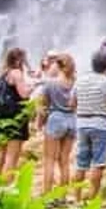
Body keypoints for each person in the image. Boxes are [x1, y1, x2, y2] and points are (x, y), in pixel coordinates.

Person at [70, 50, 106, 200]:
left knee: (81, 163)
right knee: (98, 163)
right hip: (100, 125)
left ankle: (76, 197)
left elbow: (72, 104)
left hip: (82, 124)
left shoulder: (80, 80)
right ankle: (92, 198)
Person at [0, 48, 36, 176]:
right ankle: (6, 186)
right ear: (19, 60)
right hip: (14, 118)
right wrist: (33, 85)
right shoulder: (16, 73)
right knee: (12, 156)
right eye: (24, 59)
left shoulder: (3, 73)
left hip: (0, 117)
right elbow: (24, 94)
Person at [38, 53, 76, 196]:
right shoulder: (75, 83)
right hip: (72, 121)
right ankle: (62, 196)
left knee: (49, 160)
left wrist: (40, 123)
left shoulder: (51, 83)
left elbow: (43, 107)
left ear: (58, 66)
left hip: (55, 120)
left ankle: (47, 195)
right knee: (64, 161)